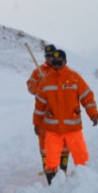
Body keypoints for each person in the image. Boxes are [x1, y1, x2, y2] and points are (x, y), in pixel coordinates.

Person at [33, 49, 98, 184]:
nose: (57, 65)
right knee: (51, 161)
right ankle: (53, 186)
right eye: (55, 63)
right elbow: (39, 105)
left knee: (82, 158)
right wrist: (36, 123)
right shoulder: (46, 81)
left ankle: (87, 183)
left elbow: (87, 97)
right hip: (52, 130)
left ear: (65, 62)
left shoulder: (74, 78)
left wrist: (93, 114)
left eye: (60, 62)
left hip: (73, 128)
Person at [26, 44, 70, 179]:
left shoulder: (63, 70)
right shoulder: (38, 71)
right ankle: (50, 176)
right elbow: (31, 88)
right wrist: (40, 83)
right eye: (47, 56)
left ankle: (62, 172)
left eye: (51, 56)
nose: (49, 58)